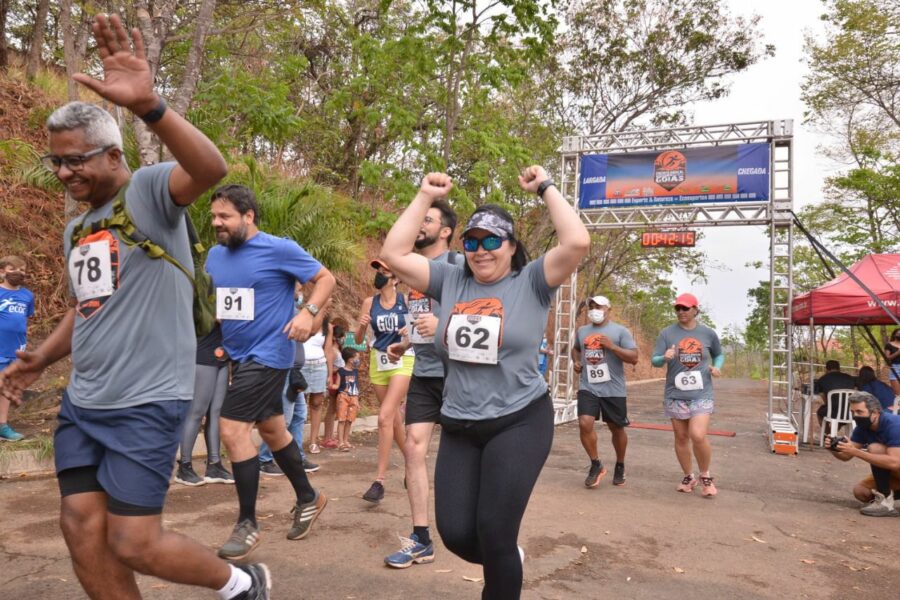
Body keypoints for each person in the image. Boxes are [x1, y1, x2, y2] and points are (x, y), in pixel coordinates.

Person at [0, 15, 272, 599]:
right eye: (57, 162)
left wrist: (152, 105)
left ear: (114, 155)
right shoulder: (77, 230)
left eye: (77, 159)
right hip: (85, 400)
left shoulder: (147, 192)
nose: (66, 172)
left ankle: (241, 584)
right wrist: (37, 360)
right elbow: (87, 308)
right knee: (80, 531)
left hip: (146, 398)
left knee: (134, 542)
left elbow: (211, 169)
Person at [379, 166, 590, 599]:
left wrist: (546, 188)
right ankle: (505, 555)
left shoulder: (533, 281)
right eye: (472, 242)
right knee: (456, 533)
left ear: (512, 247)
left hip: (519, 420)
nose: (481, 250)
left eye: (493, 240)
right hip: (459, 421)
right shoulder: (451, 278)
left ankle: (501, 564)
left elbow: (577, 241)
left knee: (494, 528)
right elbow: (394, 253)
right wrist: (423, 195)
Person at [206, 183, 334, 560]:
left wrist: (307, 313)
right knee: (273, 430)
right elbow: (222, 302)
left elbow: (325, 279)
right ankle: (308, 497)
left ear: (248, 216)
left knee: (231, 429)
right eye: (214, 217)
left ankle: (247, 524)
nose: (217, 223)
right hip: (238, 356)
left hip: (270, 352)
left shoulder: (278, 248)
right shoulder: (215, 255)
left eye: (225, 217)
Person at [383, 198, 462, 568]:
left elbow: (482, 307)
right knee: (414, 450)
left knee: (462, 458)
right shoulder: (413, 272)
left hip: (459, 376)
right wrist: (406, 341)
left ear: (444, 231)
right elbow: (422, 321)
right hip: (424, 374)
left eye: (427, 220)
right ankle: (421, 538)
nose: (419, 224)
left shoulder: (460, 265)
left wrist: (443, 322)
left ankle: (477, 533)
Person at [651, 293, 724, 498]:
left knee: (697, 435)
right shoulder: (667, 333)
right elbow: (654, 360)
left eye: (685, 308)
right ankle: (688, 476)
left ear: (695, 310)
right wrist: (663, 357)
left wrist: (717, 367)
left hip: (702, 392)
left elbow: (719, 354)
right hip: (675, 394)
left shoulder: (707, 333)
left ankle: (706, 476)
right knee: (681, 437)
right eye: (678, 308)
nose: (681, 312)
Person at [356, 259, 414, 504]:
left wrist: (408, 332)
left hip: (402, 359)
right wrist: (360, 329)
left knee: (384, 417)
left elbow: (419, 329)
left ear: (396, 278)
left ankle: (379, 481)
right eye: (378, 271)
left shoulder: (407, 301)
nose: (380, 274)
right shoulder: (369, 302)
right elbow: (356, 341)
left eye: (385, 271)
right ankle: (413, 465)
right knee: (395, 420)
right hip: (378, 362)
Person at [572, 295, 638, 488]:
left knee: (616, 428)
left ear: (608, 309)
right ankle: (596, 464)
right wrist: (576, 361)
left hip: (613, 389)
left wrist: (612, 347)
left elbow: (634, 357)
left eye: (599, 306)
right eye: (591, 306)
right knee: (585, 423)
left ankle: (620, 465)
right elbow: (576, 349)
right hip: (588, 386)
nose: (594, 309)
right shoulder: (583, 331)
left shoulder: (620, 331)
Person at [258, 283, 320, 475]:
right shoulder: (285, 309)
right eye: (298, 287)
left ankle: (297, 457)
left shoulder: (294, 309)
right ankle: (265, 459)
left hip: (294, 373)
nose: (301, 291)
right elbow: (310, 331)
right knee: (283, 417)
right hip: (284, 371)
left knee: (299, 416)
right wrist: (322, 307)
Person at [175, 323, 234, 485]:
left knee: (216, 412)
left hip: (222, 355)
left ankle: (214, 465)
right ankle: (184, 468)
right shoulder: (200, 299)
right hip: (202, 353)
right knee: (197, 412)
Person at [826, 391, 900, 517]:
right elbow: (846, 456)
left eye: (860, 412)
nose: (856, 416)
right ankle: (885, 498)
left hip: (896, 465)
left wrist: (856, 452)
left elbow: (895, 462)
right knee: (861, 492)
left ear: (875, 412)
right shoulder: (862, 428)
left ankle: (885, 502)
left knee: (875, 448)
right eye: (853, 412)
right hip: (896, 473)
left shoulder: (894, 425)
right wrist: (834, 448)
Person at [0, 256, 34, 442]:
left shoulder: (27, 296)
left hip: (16, 350)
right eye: (13, 268)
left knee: (6, 387)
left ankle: (2, 426)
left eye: (22, 269)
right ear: (2, 271)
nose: (19, 273)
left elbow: (25, 319)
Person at [300, 316, 333, 455]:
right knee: (299, 404)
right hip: (301, 365)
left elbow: (328, 350)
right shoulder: (302, 319)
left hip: (319, 365)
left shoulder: (327, 326)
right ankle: (296, 441)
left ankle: (313, 441)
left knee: (317, 403)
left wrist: (330, 373)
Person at [333, 347, 361, 451]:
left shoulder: (355, 371)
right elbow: (337, 385)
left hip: (354, 397)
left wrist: (357, 399)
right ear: (350, 359)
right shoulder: (341, 371)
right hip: (343, 397)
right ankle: (340, 442)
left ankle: (345, 440)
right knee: (341, 420)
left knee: (349, 420)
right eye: (357, 358)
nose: (358, 360)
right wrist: (331, 385)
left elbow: (356, 385)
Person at [814, 360, 856, 426]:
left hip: (832, 411)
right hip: (850, 412)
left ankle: (826, 434)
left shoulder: (823, 379)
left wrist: (828, 403)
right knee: (840, 417)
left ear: (826, 369)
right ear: (839, 368)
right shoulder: (850, 378)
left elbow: (821, 395)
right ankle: (832, 432)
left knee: (820, 412)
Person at [884, 329, 900, 396]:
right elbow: (887, 358)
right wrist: (897, 353)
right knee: (898, 394)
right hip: (895, 368)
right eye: (898, 333)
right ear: (894, 335)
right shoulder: (889, 345)